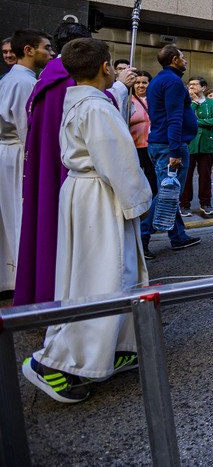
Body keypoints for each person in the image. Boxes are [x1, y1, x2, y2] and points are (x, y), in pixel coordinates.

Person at [21, 38, 153, 403]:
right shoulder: (97, 108)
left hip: (84, 193)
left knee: (108, 272)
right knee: (101, 277)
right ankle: (55, 361)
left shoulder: (78, 100)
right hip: (100, 196)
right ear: (104, 68)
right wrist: (139, 200)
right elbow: (118, 160)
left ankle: (114, 346)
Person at [13, 22, 135, 307]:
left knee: (52, 233)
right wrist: (119, 88)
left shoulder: (45, 79)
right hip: (85, 181)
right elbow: (100, 123)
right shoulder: (71, 81)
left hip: (55, 172)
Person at [0, 30, 53, 296]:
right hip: (18, 154)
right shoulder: (23, 83)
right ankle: (17, 275)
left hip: (10, 153)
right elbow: (26, 128)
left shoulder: (17, 78)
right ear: (30, 50)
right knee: (17, 216)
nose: (51, 52)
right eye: (46, 47)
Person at [140, 45, 202, 253]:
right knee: (167, 194)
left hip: (159, 143)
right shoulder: (173, 82)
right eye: (183, 57)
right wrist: (175, 151)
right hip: (169, 146)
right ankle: (141, 237)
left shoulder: (158, 80)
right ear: (175, 59)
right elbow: (174, 118)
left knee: (169, 191)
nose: (185, 60)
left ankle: (177, 237)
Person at [180, 76, 213, 217]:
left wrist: (197, 122)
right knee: (186, 175)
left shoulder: (211, 103)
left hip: (207, 144)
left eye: (195, 85)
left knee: (205, 175)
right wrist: (194, 103)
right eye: (189, 85)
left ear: (203, 87)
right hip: (189, 144)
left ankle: (206, 203)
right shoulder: (186, 102)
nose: (191, 87)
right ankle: (184, 204)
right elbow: (184, 119)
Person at [128, 70, 157, 260]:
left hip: (153, 149)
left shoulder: (155, 101)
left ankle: (147, 234)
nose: (140, 85)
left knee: (154, 190)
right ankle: (139, 240)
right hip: (134, 150)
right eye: (137, 82)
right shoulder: (127, 101)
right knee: (138, 191)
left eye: (145, 82)